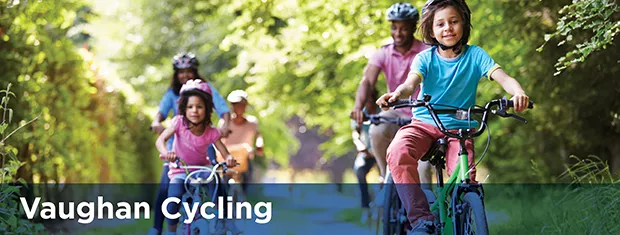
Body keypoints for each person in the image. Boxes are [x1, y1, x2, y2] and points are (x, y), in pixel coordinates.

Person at [376, 0, 531, 234]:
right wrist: (396, 94)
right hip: (424, 125)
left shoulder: (476, 55)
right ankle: (421, 220)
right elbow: (410, 85)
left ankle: (463, 216)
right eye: (440, 24)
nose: (447, 28)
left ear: (464, 25)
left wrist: (518, 93)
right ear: (431, 30)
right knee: (398, 152)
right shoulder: (425, 58)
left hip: (459, 130)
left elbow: (504, 78)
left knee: (465, 180)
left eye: (453, 21)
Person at [149, 52, 231, 235]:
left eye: (189, 71)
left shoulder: (206, 90)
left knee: (215, 181)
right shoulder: (172, 95)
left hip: (202, 145)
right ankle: (157, 228)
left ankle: (224, 221)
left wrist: (224, 125)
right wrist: (156, 122)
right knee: (166, 189)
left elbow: (223, 110)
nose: (185, 75)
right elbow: (160, 113)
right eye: (181, 72)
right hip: (176, 150)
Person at [350, 2, 432, 184]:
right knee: (377, 129)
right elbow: (367, 82)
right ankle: (385, 176)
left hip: (423, 114)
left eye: (403, 28)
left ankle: (425, 209)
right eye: (394, 28)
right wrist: (358, 107)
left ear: (413, 28)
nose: (398, 33)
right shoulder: (383, 53)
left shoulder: (426, 52)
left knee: (423, 171)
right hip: (396, 111)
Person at [219, 90, 265, 194]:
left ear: (245, 106)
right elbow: (218, 138)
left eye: (241, 105)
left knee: (247, 181)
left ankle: (243, 199)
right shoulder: (225, 122)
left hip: (244, 157)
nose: (238, 107)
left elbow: (258, 135)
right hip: (227, 157)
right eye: (235, 105)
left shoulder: (252, 122)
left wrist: (259, 145)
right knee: (223, 185)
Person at [351, 88, 379, 223]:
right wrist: (361, 147)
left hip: (381, 151)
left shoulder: (382, 111)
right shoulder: (360, 114)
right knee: (359, 171)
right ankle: (365, 208)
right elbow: (355, 134)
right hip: (366, 152)